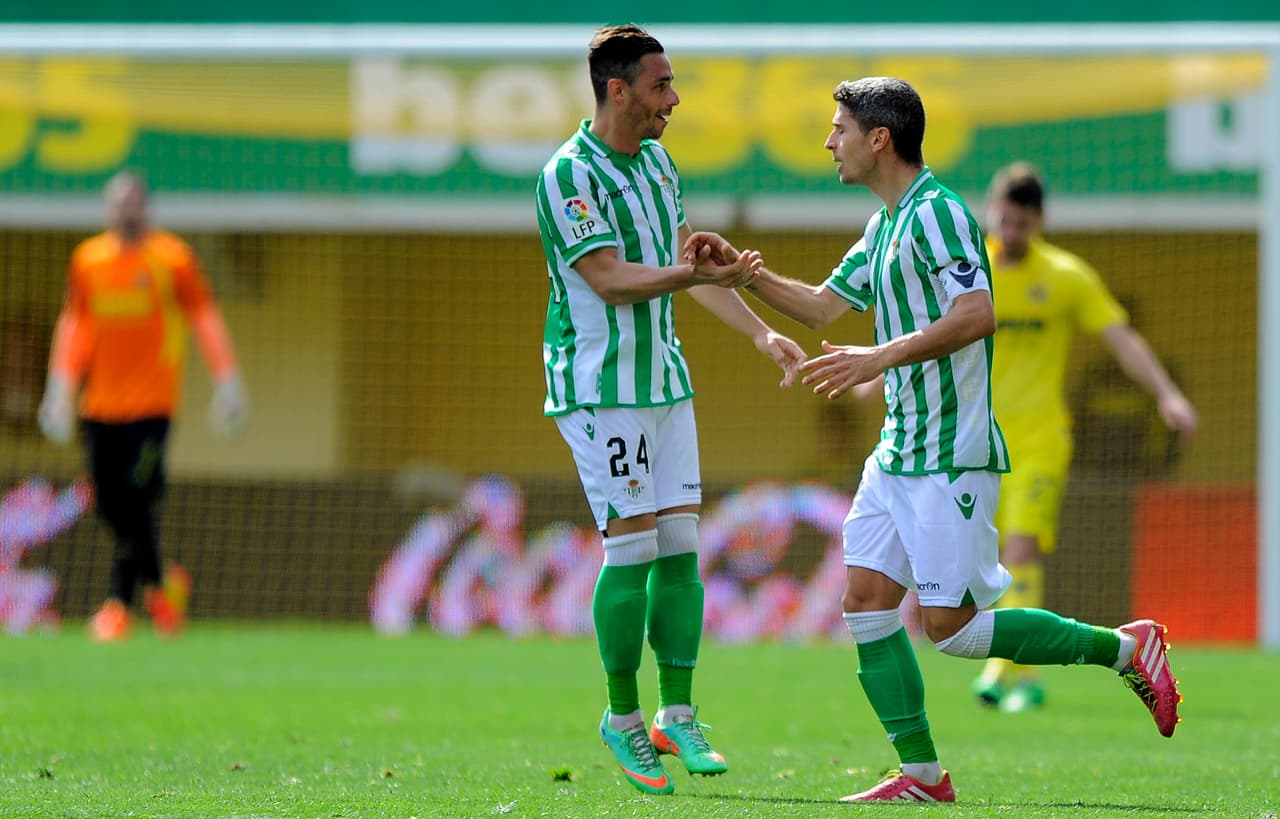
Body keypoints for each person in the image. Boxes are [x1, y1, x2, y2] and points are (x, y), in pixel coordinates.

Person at [687, 76, 1181, 803]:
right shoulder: (884, 226)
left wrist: (878, 356)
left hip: (952, 451)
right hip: (897, 451)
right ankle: (922, 774)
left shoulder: (940, 215)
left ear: (878, 138)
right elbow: (822, 308)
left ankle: (1125, 647)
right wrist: (745, 274)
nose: (830, 142)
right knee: (864, 599)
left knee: (951, 627)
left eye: (838, 129)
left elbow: (977, 314)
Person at [534, 23, 806, 796]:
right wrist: (688, 279)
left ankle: (676, 711)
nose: (673, 100)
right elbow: (613, 279)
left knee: (682, 546)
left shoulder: (658, 166)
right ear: (617, 90)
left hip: (666, 384)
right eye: (660, 87)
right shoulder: (567, 176)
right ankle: (622, 719)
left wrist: (762, 333)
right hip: (599, 386)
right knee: (633, 549)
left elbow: (687, 262)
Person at [971, 162, 1199, 712]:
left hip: (1040, 439)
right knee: (981, 558)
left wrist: (1166, 393)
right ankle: (1020, 676)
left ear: (1041, 222)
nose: (1013, 233)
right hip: (976, 438)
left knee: (1020, 547)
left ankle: (1006, 669)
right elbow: (926, 330)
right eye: (1005, 221)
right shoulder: (971, 268)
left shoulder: (1067, 276)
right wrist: (879, 369)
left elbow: (1121, 339)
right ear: (991, 213)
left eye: (1023, 224)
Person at [37, 171, 249, 642]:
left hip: (152, 408)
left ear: (147, 207)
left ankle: (117, 605)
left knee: (138, 499)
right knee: (111, 505)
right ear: (107, 208)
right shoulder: (88, 260)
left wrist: (228, 382)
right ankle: (161, 584)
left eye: (133, 201)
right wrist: (59, 389)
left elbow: (204, 317)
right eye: (117, 202)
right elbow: (76, 323)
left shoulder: (172, 259)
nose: (125, 209)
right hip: (100, 407)